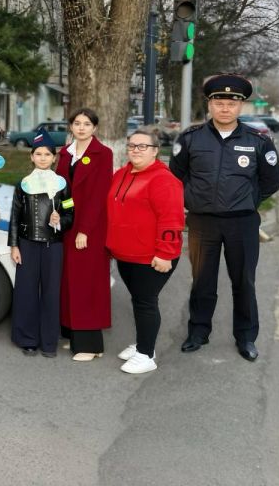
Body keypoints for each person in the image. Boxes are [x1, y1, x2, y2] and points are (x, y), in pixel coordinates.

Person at [170, 74, 279, 362]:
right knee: (202, 280)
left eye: (231, 103)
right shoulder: (191, 138)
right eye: (219, 102)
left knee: (244, 281)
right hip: (202, 222)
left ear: (240, 106)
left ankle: (246, 337)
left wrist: (249, 200)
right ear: (209, 104)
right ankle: (198, 332)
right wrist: (192, 199)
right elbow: (176, 176)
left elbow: (272, 179)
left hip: (242, 222)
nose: (225, 108)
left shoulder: (258, 141)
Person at [107, 128, 185, 374]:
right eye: (132, 145)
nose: (136, 150)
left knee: (145, 302)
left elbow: (172, 219)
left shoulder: (163, 179)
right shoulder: (122, 174)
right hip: (125, 254)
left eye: (143, 146)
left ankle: (146, 354)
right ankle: (142, 343)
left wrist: (165, 253)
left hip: (151, 256)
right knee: (138, 300)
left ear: (155, 151)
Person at [8, 131, 72, 357]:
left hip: (53, 246)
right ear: (32, 157)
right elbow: (15, 217)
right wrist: (14, 246)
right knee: (26, 292)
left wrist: (60, 220)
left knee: (51, 293)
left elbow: (71, 213)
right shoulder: (23, 185)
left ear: (54, 158)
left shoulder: (63, 185)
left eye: (47, 154)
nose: (43, 158)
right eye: (38, 154)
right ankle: (27, 339)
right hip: (27, 245)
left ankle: (49, 341)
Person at [55, 107, 113, 361]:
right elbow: (60, 189)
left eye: (87, 124)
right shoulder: (65, 153)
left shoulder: (103, 153)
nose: (81, 128)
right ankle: (74, 335)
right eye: (77, 123)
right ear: (71, 126)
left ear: (94, 128)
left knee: (87, 283)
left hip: (90, 227)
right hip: (68, 224)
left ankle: (90, 345)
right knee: (69, 280)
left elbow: (99, 196)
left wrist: (84, 230)